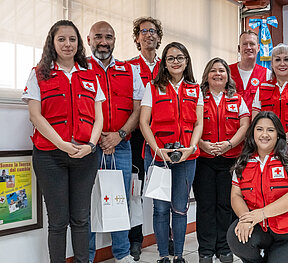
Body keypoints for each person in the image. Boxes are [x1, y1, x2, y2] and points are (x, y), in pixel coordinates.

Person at [21, 20, 104, 263]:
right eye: (61, 39)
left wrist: (90, 145)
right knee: (57, 222)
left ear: (79, 43)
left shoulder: (90, 74)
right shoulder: (39, 73)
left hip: (85, 155)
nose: (67, 44)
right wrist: (62, 144)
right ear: (52, 43)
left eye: (72, 39)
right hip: (49, 156)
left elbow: (98, 117)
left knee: (81, 219)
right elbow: (35, 115)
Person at [86, 21, 144, 263]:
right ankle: (86, 256)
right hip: (89, 146)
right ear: (88, 40)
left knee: (120, 200)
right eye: (98, 36)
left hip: (121, 145)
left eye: (108, 37)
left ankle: (122, 253)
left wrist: (118, 135)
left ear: (114, 40)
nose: (103, 41)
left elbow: (139, 109)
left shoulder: (129, 70)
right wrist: (98, 137)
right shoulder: (79, 68)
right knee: (87, 202)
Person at [140, 42, 203, 263]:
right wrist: (157, 149)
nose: (176, 62)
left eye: (180, 57)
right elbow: (144, 122)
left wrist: (192, 148)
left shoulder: (196, 89)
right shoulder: (153, 87)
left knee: (180, 208)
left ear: (187, 61)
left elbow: (198, 124)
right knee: (160, 209)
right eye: (170, 58)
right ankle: (163, 255)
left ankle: (178, 255)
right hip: (158, 157)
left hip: (187, 157)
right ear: (164, 64)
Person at [227, 111, 288, 263]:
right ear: (252, 132)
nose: (264, 134)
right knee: (236, 237)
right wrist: (245, 218)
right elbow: (236, 195)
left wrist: (263, 213)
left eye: (270, 130)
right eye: (259, 129)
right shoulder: (243, 161)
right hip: (261, 227)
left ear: (278, 134)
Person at [193, 58, 250, 263]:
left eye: (222, 71)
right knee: (206, 205)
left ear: (228, 76)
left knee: (226, 205)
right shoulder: (197, 98)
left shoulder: (238, 99)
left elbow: (245, 125)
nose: (218, 74)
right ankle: (206, 250)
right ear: (207, 75)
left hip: (230, 160)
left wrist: (229, 144)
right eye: (213, 71)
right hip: (204, 159)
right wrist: (202, 144)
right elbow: (191, 125)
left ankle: (225, 247)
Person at [127, 16, 165, 260]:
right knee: (136, 190)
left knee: (165, 190)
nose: (148, 34)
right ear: (137, 37)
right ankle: (135, 239)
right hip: (136, 138)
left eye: (153, 31)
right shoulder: (128, 67)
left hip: (164, 136)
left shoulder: (169, 64)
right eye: (143, 31)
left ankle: (167, 237)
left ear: (159, 37)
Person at [229, 30, 271, 110]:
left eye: (252, 44)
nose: (248, 47)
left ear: (258, 48)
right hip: (232, 121)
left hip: (257, 121)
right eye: (245, 44)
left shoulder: (267, 74)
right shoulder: (227, 72)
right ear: (239, 48)